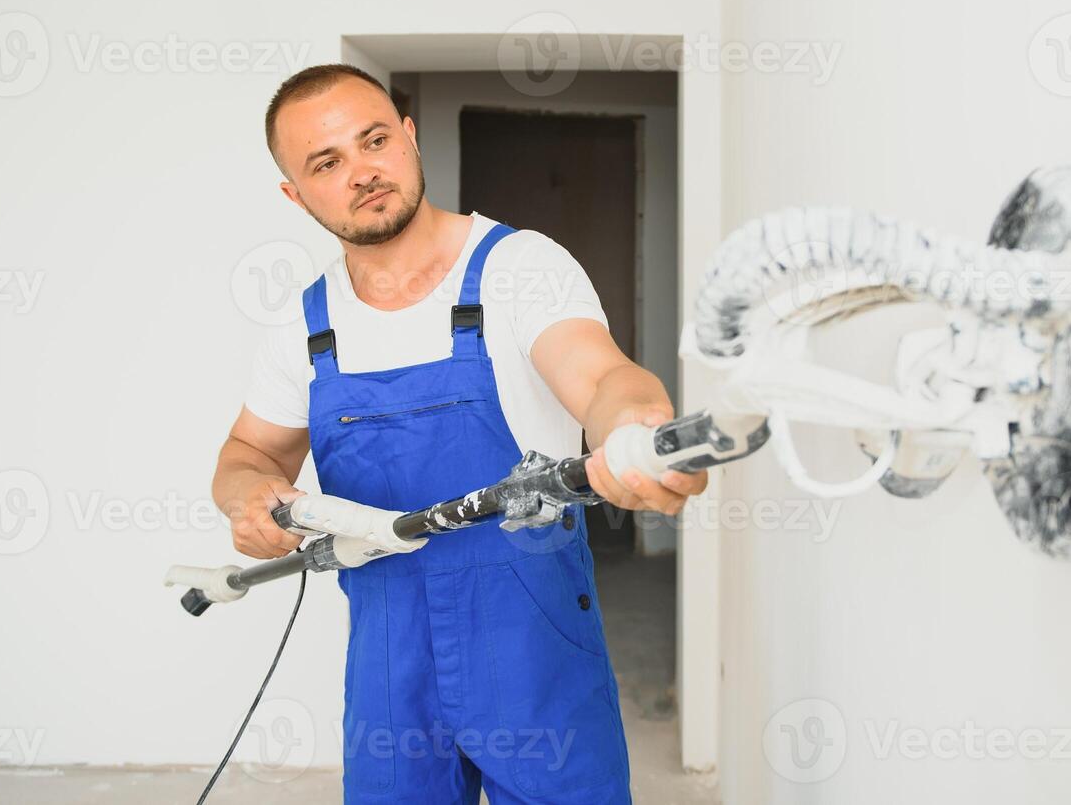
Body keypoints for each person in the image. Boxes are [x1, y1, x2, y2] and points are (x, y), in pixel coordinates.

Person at [210, 64, 708, 804]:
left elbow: (603, 378)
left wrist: (637, 430)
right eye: (327, 162)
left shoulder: (518, 269)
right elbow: (247, 454)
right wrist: (248, 498)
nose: (362, 172)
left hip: (531, 647)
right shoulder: (304, 326)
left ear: (408, 138)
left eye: (373, 140)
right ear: (296, 192)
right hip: (388, 660)